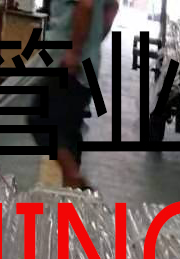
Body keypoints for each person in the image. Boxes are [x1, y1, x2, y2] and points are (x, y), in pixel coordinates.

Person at [33, 0, 119, 190]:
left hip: (68, 63)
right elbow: (112, 6)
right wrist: (93, 42)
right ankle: (72, 194)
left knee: (39, 119)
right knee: (68, 133)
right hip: (87, 65)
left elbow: (86, 5)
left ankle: (74, 178)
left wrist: (74, 51)